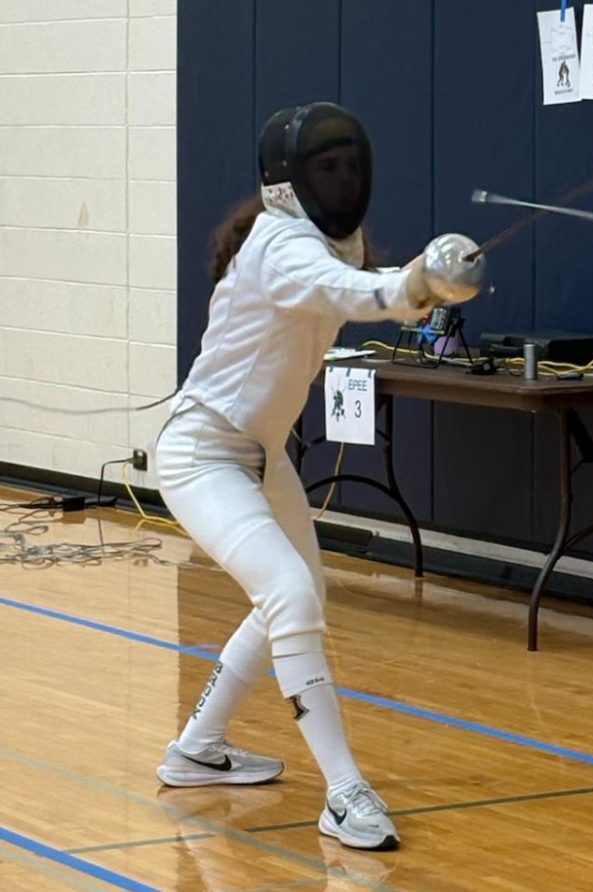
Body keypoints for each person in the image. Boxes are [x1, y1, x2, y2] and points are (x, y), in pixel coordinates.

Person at [153, 101, 483, 851]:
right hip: (203, 454)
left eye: (351, 166)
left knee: (299, 593)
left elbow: (368, 291)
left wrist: (421, 289)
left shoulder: (336, 241)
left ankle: (197, 749)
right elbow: (354, 294)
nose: (343, 180)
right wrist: (417, 283)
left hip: (260, 456)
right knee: (290, 592)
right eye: (326, 168)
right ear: (287, 183)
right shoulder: (279, 247)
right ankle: (343, 792)